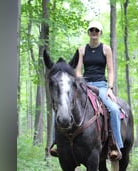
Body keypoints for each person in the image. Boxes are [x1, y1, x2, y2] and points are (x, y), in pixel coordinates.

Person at [50, 20, 123, 160]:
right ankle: (56, 144)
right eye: (91, 30)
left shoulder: (106, 49)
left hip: (101, 85)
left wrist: (110, 88)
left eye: (96, 30)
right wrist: (80, 83)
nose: (94, 32)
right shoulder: (82, 49)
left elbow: (111, 70)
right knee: (61, 108)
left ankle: (115, 145)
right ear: (88, 32)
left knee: (113, 109)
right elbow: (77, 71)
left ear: (100, 32)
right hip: (85, 84)